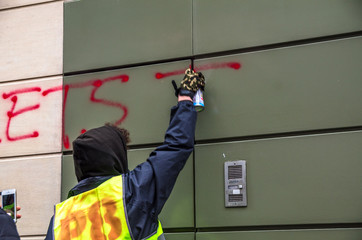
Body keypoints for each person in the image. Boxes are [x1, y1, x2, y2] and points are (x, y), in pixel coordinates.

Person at [45, 68, 205, 240]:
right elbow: (175, 147)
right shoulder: (134, 191)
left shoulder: (59, 219)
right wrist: (186, 98)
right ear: (116, 157)